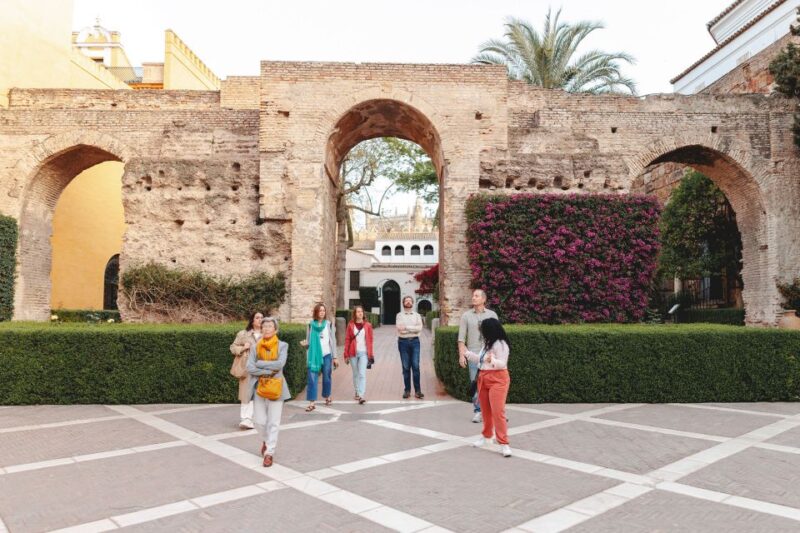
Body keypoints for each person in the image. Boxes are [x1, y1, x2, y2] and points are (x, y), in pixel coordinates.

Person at [246, 316, 290, 467]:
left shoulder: (283, 346)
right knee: (258, 420)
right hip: (259, 385)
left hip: (276, 386)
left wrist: (260, 364)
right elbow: (249, 367)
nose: (266, 329)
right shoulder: (254, 347)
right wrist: (266, 369)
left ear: (275, 329)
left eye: (270, 326)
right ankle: (266, 439)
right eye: (264, 326)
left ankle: (269, 452)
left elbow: (280, 364)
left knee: (274, 422)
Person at [464, 317, 512, 458]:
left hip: (498, 378)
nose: (481, 332)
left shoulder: (501, 344)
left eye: (483, 329)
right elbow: (480, 359)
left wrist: (492, 361)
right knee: (485, 411)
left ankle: (504, 443)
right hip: (483, 378)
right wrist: (467, 353)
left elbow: (502, 364)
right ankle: (486, 436)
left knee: (498, 412)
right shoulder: (487, 343)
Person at [458, 289, 498, 423]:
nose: (473, 298)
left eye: (476, 296)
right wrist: (461, 355)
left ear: (483, 299)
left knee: (492, 384)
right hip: (473, 354)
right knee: (476, 384)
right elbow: (461, 338)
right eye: (473, 296)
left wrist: (495, 355)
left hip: (489, 354)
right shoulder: (466, 316)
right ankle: (478, 411)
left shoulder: (492, 314)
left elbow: (497, 336)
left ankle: (495, 411)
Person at [300, 303, 337, 412]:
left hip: (327, 354)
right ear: (316, 312)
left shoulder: (328, 324)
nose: (322, 312)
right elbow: (308, 343)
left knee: (326, 377)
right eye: (320, 310)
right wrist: (305, 345)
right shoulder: (311, 325)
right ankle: (312, 402)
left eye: (323, 311)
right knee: (312, 378)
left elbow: (333, 341)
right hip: (314, 356)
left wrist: (335, 357)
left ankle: (327, 395)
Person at [229, 311, 263, 429]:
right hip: (247, 368)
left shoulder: (268, 335)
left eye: (262, 318)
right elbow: (233, 348)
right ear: (252, 320)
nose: (260, 319)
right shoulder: (243, 334)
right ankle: (245, 419)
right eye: (257, 317)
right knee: (245, 394)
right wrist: (244, 347)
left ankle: (253, 418)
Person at [344, 305, 374, 404]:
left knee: (362, 373)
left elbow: (370, 341)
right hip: (352, 353)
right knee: (355, 373)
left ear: (363, 313)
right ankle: (357, 391)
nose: (360, 313)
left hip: (363, 353)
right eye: (357, 312)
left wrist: (371, 354)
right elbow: (347, 339)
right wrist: (345, 354)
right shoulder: (350, 325)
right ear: (355, 314)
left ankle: (361, 395)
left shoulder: (368, 325)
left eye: (361, 311)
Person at [396, 295, 424, 399]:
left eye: (410, 301)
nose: (408, 302)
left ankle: (418, 391)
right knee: (406, 367)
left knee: (416, 366)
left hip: (415, 342)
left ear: (412, 303)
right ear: (403, 303)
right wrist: (413, 328)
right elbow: (400, 329)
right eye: (406, 301)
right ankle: (407, 390)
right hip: (403, 342)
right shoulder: (399, 315)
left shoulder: (417, 315)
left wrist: (407, 327)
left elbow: (419, 328)